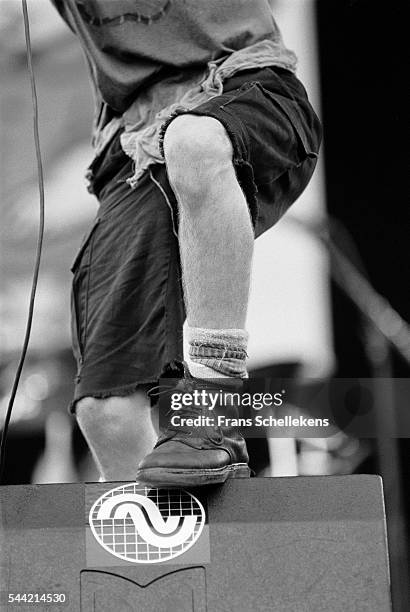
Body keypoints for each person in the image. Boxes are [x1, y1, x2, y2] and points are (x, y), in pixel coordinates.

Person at [51, 0, 322, 486]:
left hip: (243, 81)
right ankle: (158, 551)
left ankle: (211, 405)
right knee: (104, 412)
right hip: (135, 139)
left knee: (194, 142)